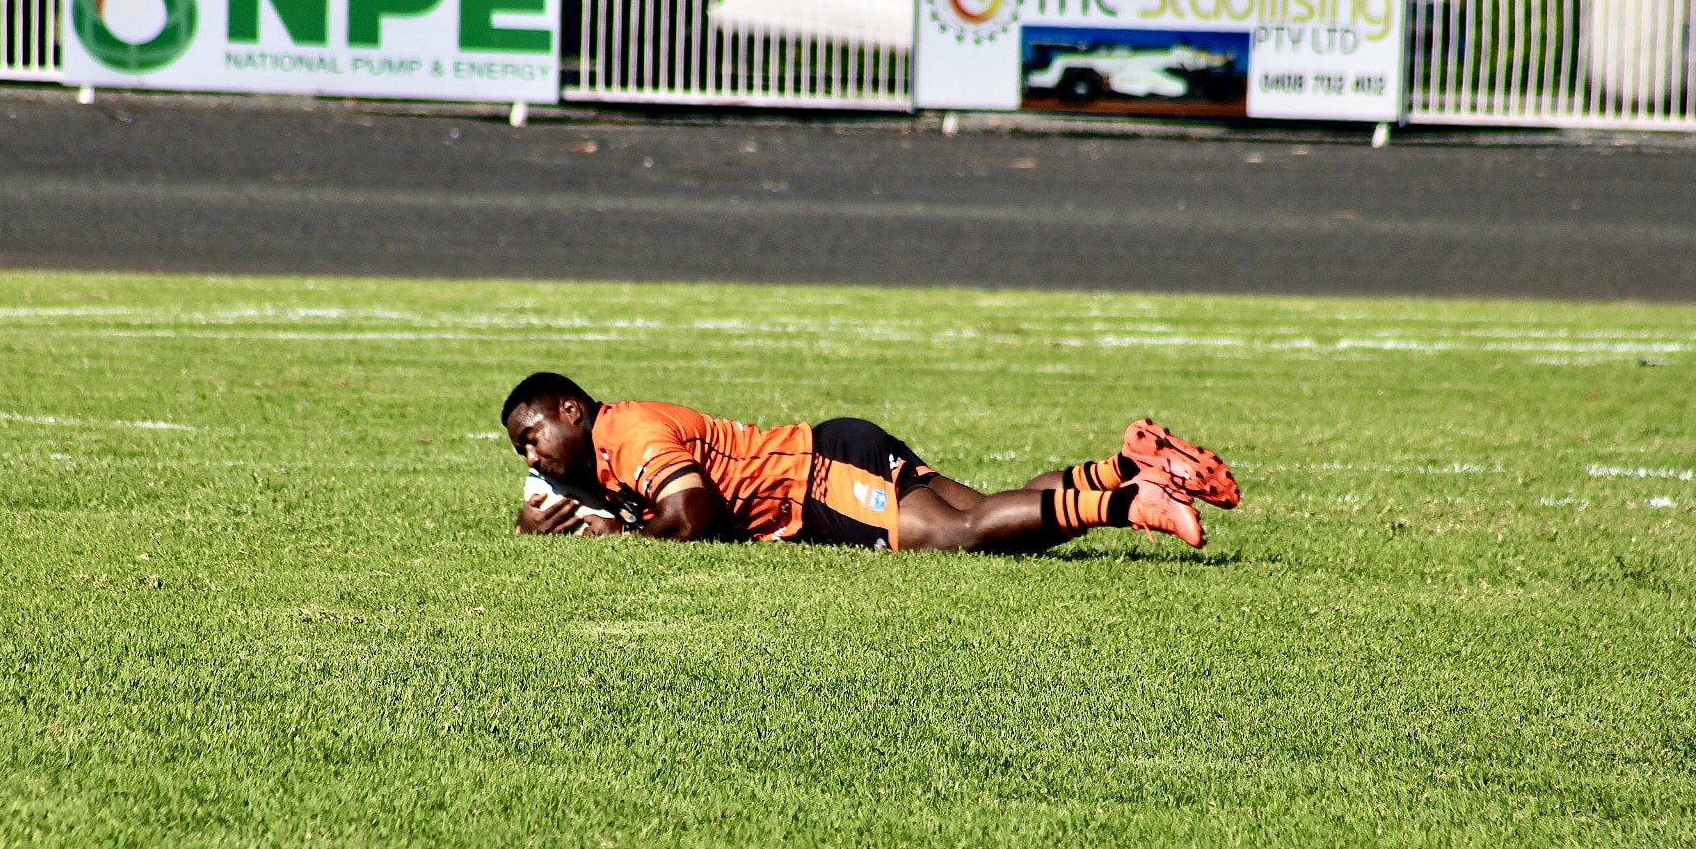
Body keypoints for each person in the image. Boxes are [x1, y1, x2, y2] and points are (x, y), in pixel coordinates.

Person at [502, 372, 1237, 553]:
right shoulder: (600, 454)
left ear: (572, 408)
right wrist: (542, 526)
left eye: (531, 435)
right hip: (830, 450)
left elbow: (690, 513)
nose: (532, 455)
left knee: (962, 533)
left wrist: (622, 540)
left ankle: (1133, 504)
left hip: (816, 478)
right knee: (992, 509)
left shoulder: (625, 433)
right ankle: (1123, 468)